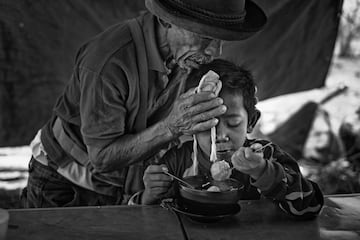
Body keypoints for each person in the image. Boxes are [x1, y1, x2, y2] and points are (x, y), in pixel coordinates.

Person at [21, 0, 267, 207]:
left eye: (221, 40)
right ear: (166, 20)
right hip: (66, 183)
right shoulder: (108, 63)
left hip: (128, 185)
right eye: (205, 37)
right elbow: (103, 158)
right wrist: (171, 127)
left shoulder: (187, 56)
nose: (215, 51)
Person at [137, 59, 324, 218]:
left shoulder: (266, 155)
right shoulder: (175, 163)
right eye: (207, 125)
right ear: (191, 125)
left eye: (233, 123)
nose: (220, 135)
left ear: (251, 121)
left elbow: (311, 207)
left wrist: (264, 172)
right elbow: (145, 222)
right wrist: (149, 196)